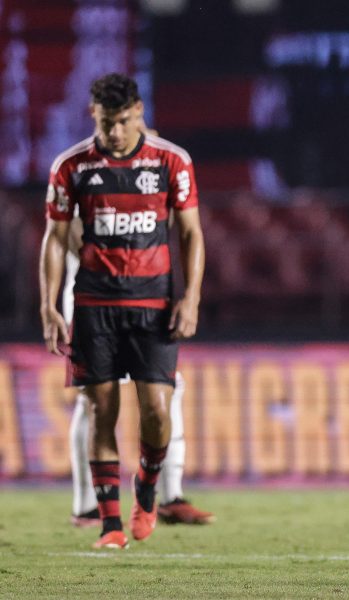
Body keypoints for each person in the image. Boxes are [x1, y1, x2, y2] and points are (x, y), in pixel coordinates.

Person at [40, 73, 205, 549]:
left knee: (157, 409)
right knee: (99, 411)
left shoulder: (171, 161)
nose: (114, 132)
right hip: (94, 304)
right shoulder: (72, 166)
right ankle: (110, 526)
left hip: (152, 305)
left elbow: (192, 232)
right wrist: (50, 306)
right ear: (94, 115)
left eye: (123, 121)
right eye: (106, 122)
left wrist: (190, 296)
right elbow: (55, 239)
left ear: (140, 112)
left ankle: (148, 489)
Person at [63, 212, 213, 528]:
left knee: (170, 387)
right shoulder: (85, 166)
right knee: (93, 399)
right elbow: (67, 229)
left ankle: (171, 496)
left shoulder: (154, 166)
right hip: (92, 293)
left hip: (140, 293)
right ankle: (87, 505)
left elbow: (169, 223)